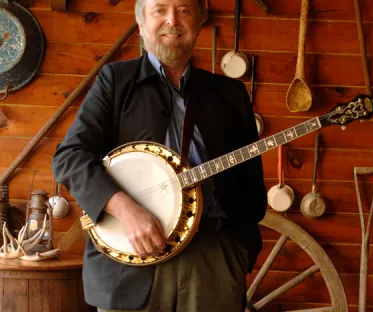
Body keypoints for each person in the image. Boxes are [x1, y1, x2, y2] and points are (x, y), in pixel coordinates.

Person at [52, 0, 267, 311]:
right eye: (159, 10)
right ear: (141, 26)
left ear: (198, 23)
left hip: (212, 261)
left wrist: (236, 252)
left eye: (183, 11)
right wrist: (125, 210)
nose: (172, 21)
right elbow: (69, 156)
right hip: (131, 263)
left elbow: (251, 186)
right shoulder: (115, 81)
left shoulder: (229, 94)